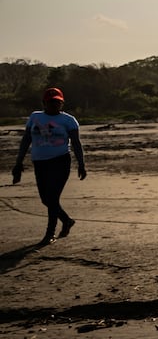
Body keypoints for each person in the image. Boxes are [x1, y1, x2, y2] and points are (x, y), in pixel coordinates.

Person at [11, 86, 87, 247]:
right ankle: (67, 220)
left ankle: (50, 233)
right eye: (51, 102)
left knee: (52, 198)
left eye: (57, 102)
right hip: (39, 162)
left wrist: (81, 164)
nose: (54, 105)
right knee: (45, 199)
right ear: (44, 103)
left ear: (62, 103)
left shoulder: (68, 120)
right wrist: (18, 162)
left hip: (60, 161)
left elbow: (76, 143)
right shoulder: (35, 117)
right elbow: (26, 140)